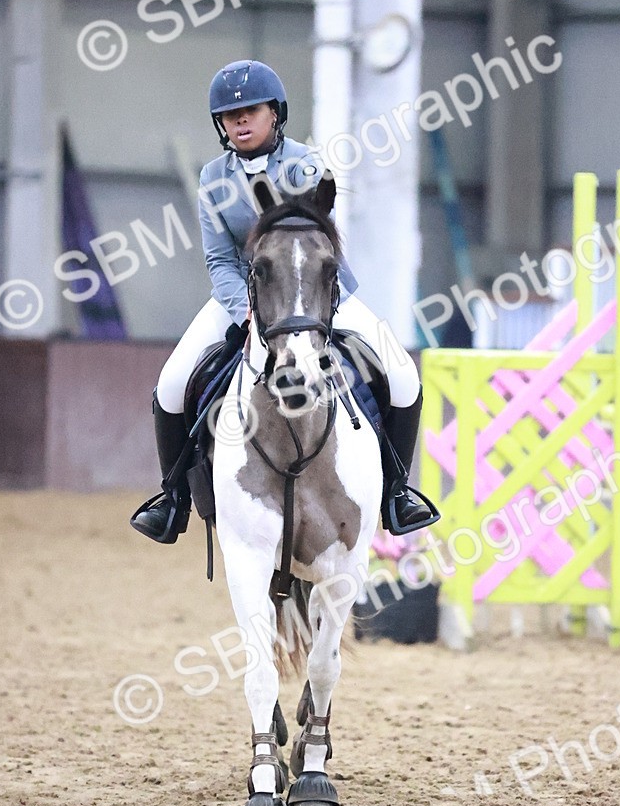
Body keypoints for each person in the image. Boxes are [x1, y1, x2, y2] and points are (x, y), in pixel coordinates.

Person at [131, 59, 437, 545]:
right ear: (221, 126)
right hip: (244, 294)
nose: (241, 121)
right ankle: (173, 501)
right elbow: (218, 259)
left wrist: (297, 304)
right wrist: (247, 310)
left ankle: (396, 493)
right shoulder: (213, 179)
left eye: (250, 111)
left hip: (314, 296)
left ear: (275, 113)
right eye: (230, 116)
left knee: (402, 376)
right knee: (171, 384)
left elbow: (310, 244)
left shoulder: (304, 165)